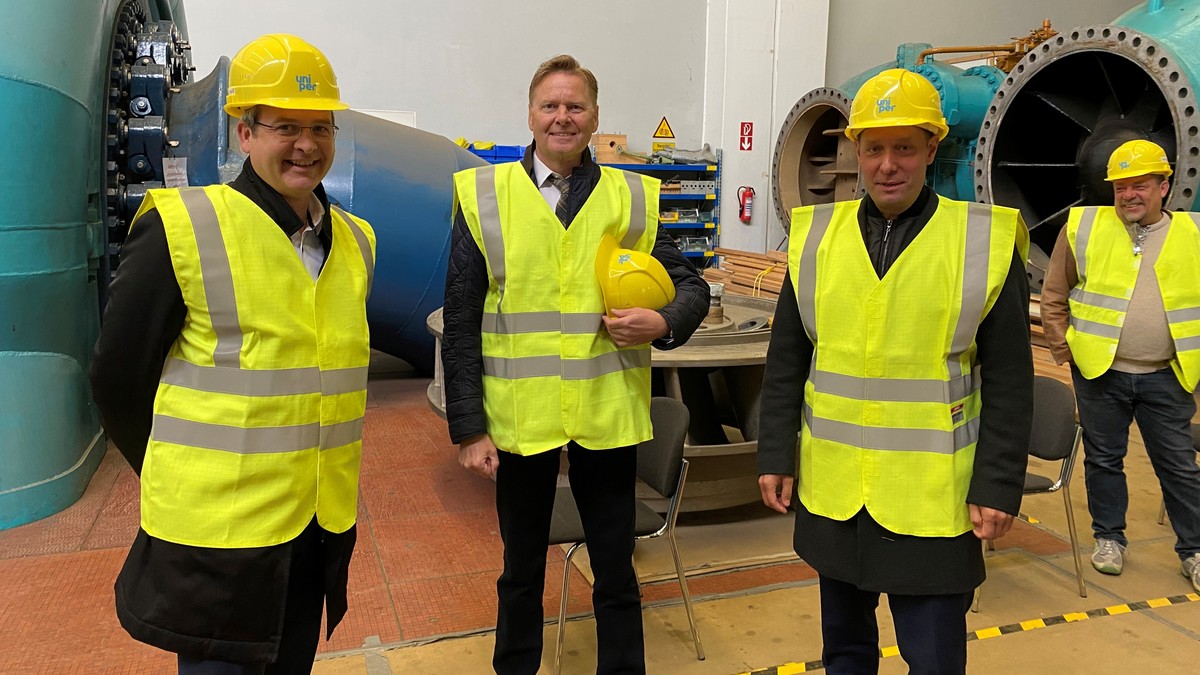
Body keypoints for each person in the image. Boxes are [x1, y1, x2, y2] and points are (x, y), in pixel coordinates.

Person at [90, 34, 375, 674]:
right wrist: (178, 472)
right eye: (284, 127)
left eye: (320, 127)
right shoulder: (183, 227)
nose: (306, 144)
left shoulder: (357, 244)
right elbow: (117, 379)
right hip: (219, 546)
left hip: (315, 532)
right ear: (243, 133)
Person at [756, 68, 1034, 674]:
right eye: (875, 147)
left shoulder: (978, 244)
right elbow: (787, 361)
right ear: (857, 149)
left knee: (932, 661)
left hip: (932, 504)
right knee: (846, 655)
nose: (888, 164)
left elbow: (1012, 381)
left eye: (904, 147)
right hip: (835, 495)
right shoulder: (815, 239)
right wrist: (776, 452)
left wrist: (997, 484)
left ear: (933, 149)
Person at [441, 54, 709, 674]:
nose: (562, 117)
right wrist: (468, 425)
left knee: (615, 569)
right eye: (549, 106)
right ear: (530, 116)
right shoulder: (485, 196)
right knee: (521, 570)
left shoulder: (631, 198)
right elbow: (460, 318)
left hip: (606, 417)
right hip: (519, 422)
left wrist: (665, 321)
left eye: (575, 106)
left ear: (595, 118)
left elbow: (690, 286)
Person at [1040, 139, 1200, 591]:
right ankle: (1109, 538)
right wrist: (1065, 351)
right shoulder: (1083, 227)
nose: (1129, 194)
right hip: (1099, 373)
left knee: (1178, 465)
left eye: (1141, 185)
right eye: (1120, 186)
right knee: (1104, 461)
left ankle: (1194, 549)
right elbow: (1054, 296)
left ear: (1164, 187)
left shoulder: (1194, 234)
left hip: (1167, 376)